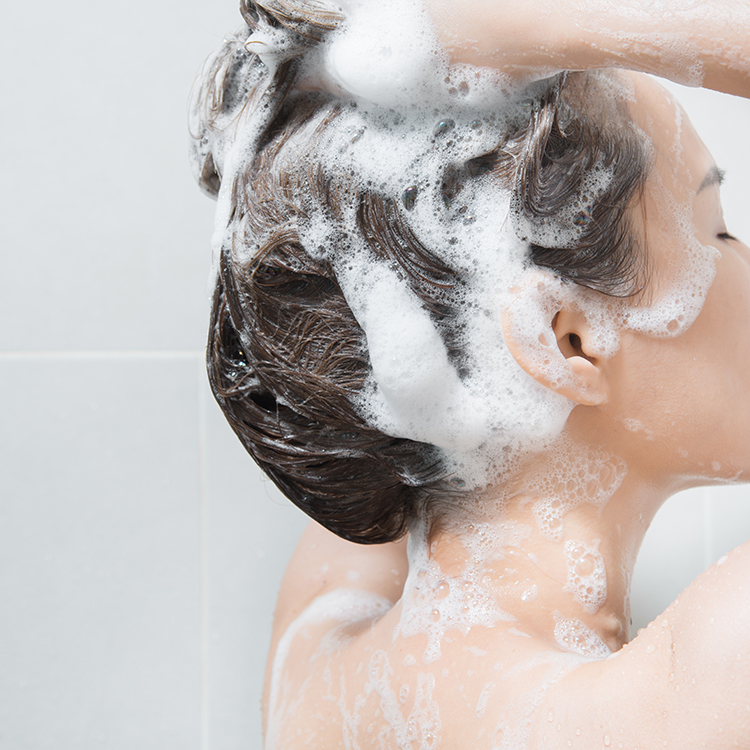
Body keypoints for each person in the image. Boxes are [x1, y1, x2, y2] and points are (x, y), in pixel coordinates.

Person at [190, 1, 750, 746]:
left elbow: (357, 355)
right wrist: (515, 28)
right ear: (568, 341)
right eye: (718, 229)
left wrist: (426, 46)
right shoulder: (719, 674)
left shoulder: (315, 663)